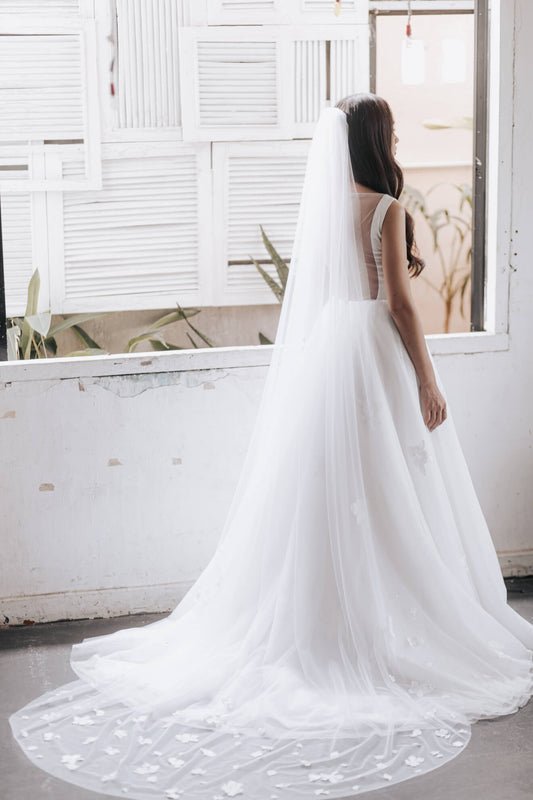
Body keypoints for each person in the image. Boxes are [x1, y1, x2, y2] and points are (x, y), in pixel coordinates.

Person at [10, 95, 533, 800]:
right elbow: (400, 306)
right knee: (390, 489)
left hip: (329, 356)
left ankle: (328, 618)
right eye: (394, 132)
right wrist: (427, 383)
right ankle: (378, 626)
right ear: (376, 141)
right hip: (373, 354)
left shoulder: (325, 209)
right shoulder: (386, 208)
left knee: (333, 493)